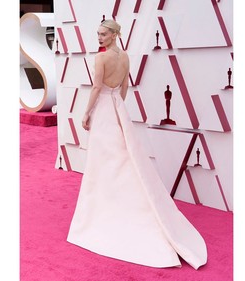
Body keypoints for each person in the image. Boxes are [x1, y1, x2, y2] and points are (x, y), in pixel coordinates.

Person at [67, 19, 207, 269]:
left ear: (113, 35)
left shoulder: (101, 59)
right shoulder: (125, 57)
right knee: (123, 158)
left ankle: (105, 209)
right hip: (118, 109)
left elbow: (97, 87)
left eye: (102, 34)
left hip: (104, 110)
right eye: (97, 34)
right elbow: (123, 87)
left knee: (105, 160)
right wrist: (118, 107)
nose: (98, 37)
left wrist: (87, 113)